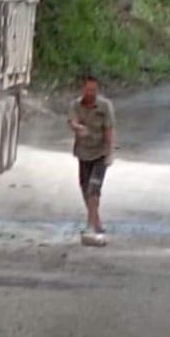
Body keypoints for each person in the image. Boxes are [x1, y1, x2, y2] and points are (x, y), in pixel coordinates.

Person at [69, 75, 115, 234]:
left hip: (100, 153)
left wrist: (110, 153)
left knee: (93, 190)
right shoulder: (76, 105)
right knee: (84, 189)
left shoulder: (105, 106)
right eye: (88, 89)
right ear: (83, 89)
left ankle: (90, 226)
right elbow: (73, 121)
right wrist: (78, 128)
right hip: (83, 153)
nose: (91, 93)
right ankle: (96, 221)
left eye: (94, 90)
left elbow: (109, 130)